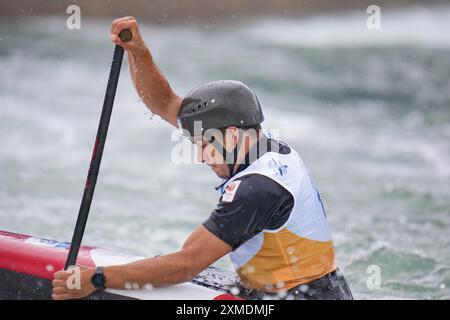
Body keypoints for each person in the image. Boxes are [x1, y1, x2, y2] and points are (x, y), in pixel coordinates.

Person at [52, 17, 353, 300]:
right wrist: (138, 51)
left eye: (204, 144)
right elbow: (166, 103)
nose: (200, 156)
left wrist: (95, 279)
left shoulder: (259, 189)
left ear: (232, 135)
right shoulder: (264, 145)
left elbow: (185, 265)